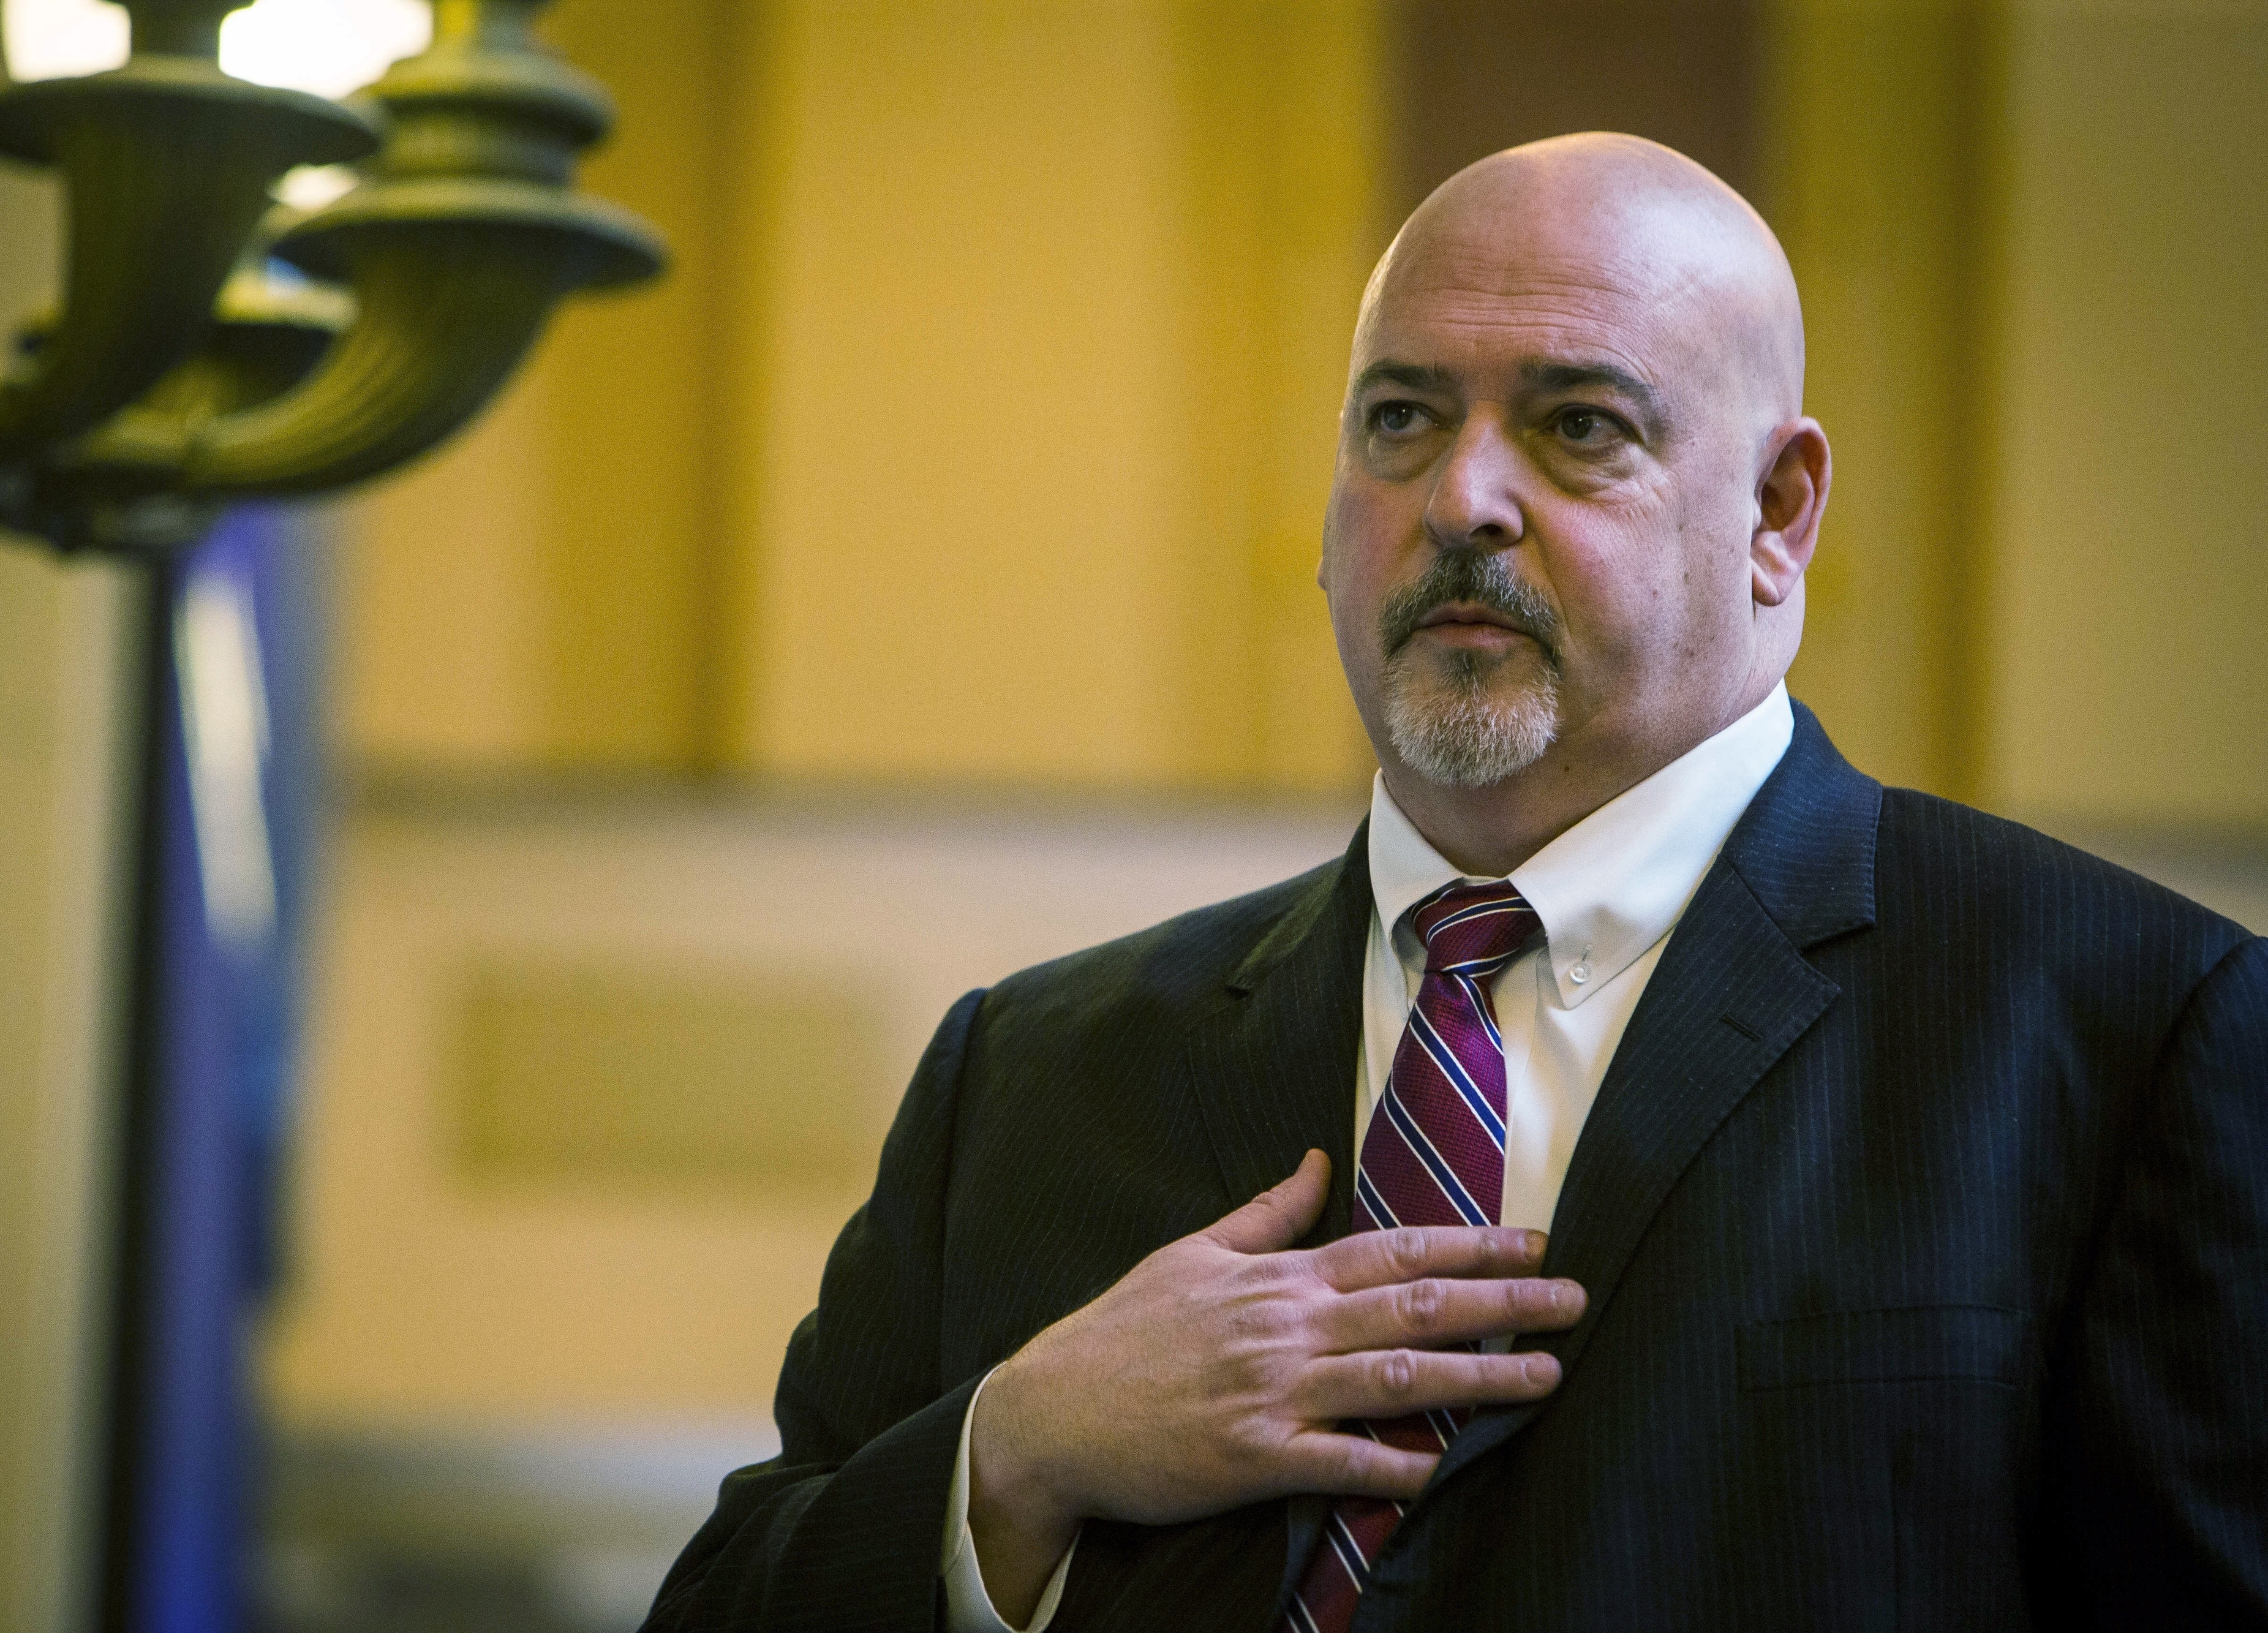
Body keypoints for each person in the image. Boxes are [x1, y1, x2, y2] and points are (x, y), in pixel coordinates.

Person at [642, 133, 2268, 1632]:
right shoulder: (1029, 1072)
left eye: (1578, 424)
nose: (1460, 501)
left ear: (1779, 511)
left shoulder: (2126, 1032)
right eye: (1402, 418)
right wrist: (1014, 1451)